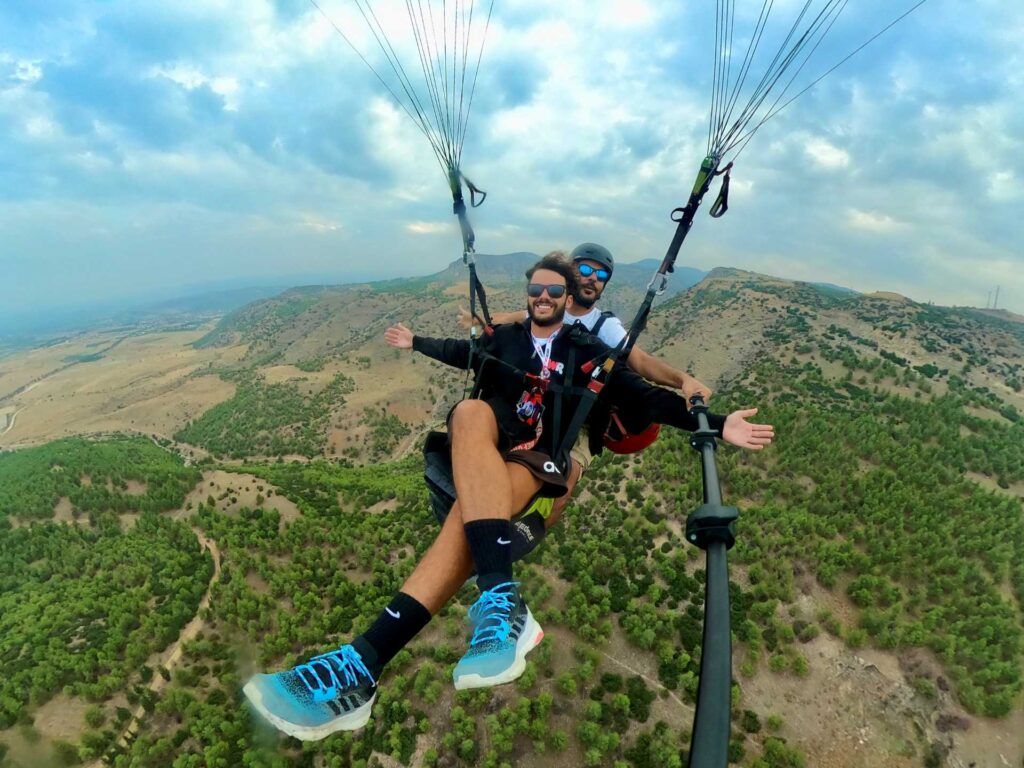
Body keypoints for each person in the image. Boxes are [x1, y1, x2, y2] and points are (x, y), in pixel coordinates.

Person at [243, 254, 774, 741]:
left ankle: (362, 663)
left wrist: (718, 424)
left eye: (555, 291)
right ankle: (498, 596)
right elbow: (462, 353)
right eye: (536, 289)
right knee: (468, 413)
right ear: (528, 295)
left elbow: (641, 394)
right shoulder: (507, 340)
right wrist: (417, 343)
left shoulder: (587, 352)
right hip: (489, 447)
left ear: (570, 300)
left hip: (542, 459)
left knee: (469, 516)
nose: (544, 298)